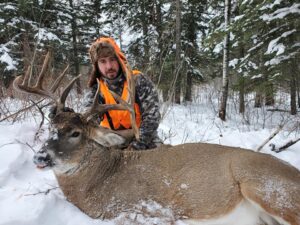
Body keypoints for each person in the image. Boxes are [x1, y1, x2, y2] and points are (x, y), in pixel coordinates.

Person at [84, 37, 161, 150]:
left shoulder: (138, 80)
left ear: (119, 59)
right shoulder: (96, 89)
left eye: (112, 59)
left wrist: (138, 145)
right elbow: (89, 118)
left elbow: (152, 116)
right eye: (103, 61)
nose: (109, 66)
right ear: (96, 65)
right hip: (110, 140)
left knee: (162, 160)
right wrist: (69, 117)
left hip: (142, 137)